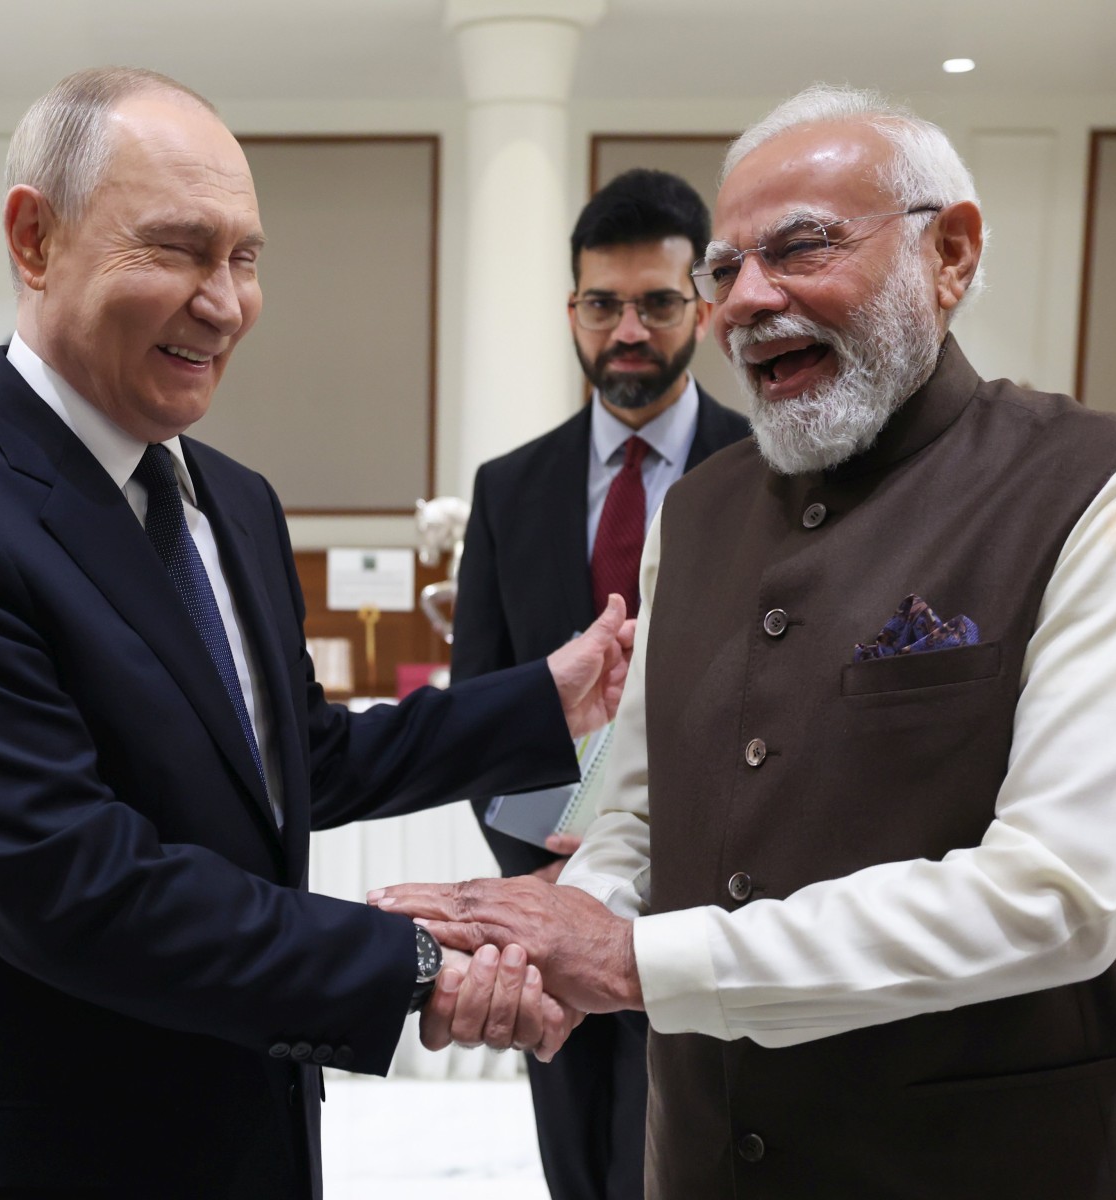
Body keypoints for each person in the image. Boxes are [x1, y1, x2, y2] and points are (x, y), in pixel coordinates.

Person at [0, 66, 629, 1200]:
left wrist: (546, 698)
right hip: (30, 1160)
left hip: (250, 1139)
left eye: (244, 258)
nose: (225, 301)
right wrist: (414, 964)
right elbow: (66, 883)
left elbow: (293, 757)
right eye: (180, 249)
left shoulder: (232, 502)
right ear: (34, 239)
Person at [376, 83, 1116, 1199]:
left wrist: (631, 962)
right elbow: (631, 811)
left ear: (949, 253)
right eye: (725, 270)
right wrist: (564, 921)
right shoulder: (701, 513)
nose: (748, 300)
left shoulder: (1105, 486)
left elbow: (1060, 894)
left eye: (801, 247)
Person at [451, 167, 749, 1200]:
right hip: (544, 878)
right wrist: (548, 866)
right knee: (576, 1159)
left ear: (701, 309)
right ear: (571, 312)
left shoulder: (768, 474)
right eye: (602, 303)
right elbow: (476, 700)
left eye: (657, 302)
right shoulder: (506, 488)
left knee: (689, 1152)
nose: (629, 328)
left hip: (716, 897)